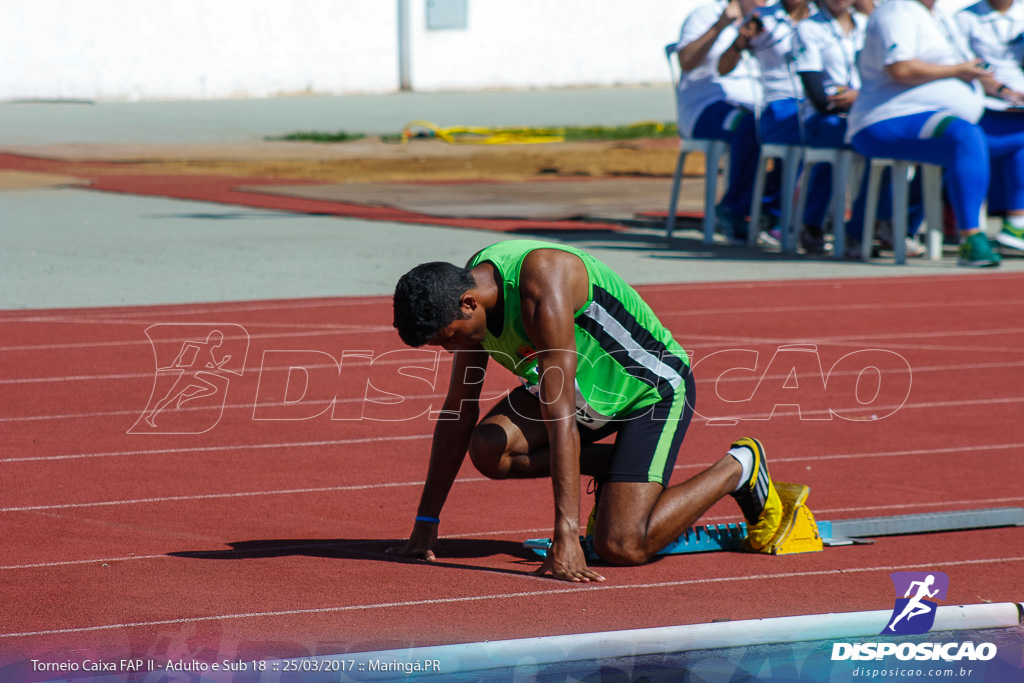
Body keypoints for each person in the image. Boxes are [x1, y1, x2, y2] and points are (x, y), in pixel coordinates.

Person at [388, 240, 784, 582]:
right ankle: (622, 471)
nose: (449, 350)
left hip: (649, 391)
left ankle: (739, 467)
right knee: (490, 448)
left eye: (447, 339)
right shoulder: (465, 290)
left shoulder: (543, 284)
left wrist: (567, 534)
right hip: (585, 395)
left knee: (623, 545)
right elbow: (459, 408)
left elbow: (560, 419)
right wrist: (426, 522)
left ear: (468, 303)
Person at [847, 0, 1022, 266]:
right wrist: (958, 71)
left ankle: (1017, 223)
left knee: (1011, 129)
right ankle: (972, 238)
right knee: (964, 134)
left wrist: (1007, 93)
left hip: (947, 117)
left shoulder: (941, 16)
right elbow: (900, 68)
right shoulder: (896, 10)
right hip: (887, 118)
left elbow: (970, 68)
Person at [718, 0, 831, 246]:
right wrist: (740, 41)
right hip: (780, 105)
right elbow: (723, 67)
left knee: (834, 132)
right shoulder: (763, 19)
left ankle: (815, 220)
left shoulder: (823, 19)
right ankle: (782, 218)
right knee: (816, 130)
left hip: (816, 101)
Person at [674, 0, 766, 243]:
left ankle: (772, 210)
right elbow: (685, 61)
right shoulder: (705, 15)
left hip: (759, 104)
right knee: (750, 127)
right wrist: (720, 25)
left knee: (790, 128)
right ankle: (733, 209)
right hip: (706, 107)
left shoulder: (772, 18)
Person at [957, 0, 1024, 253]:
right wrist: (1005, 92)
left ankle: (1017, 224)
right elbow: (966, 67)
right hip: (983, 106)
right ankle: (1012, 224)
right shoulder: (964, 18)